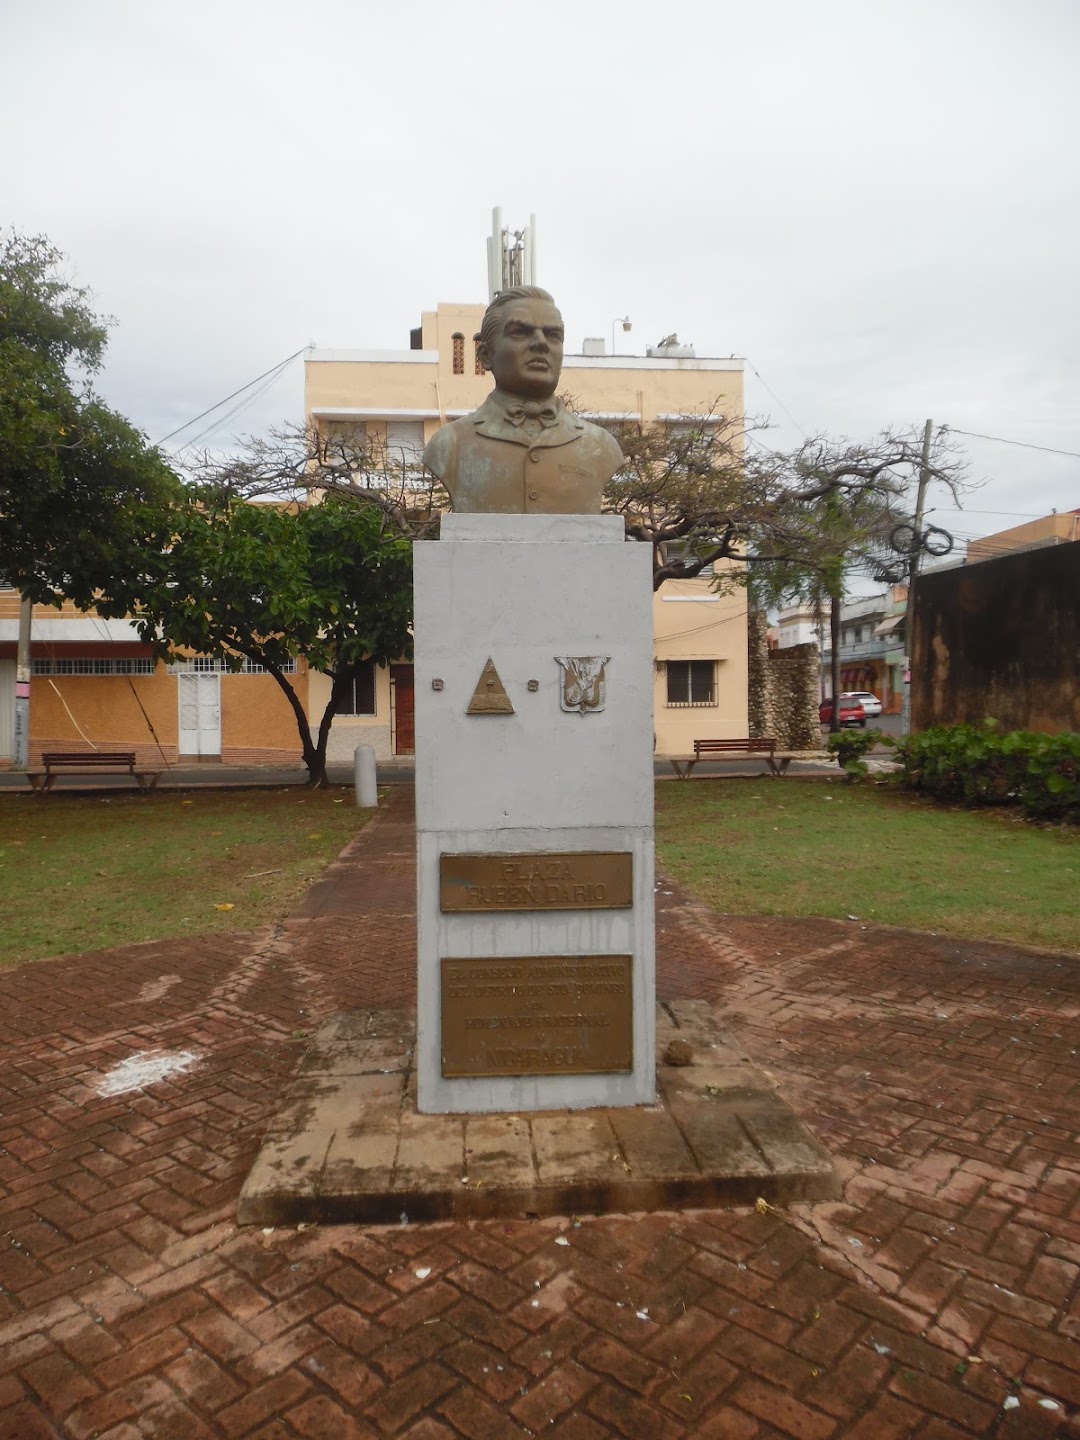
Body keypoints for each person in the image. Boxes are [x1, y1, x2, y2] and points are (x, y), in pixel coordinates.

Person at [423, 286, 624, 514]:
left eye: (553, 334)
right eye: (521, 331)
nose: (541, 343)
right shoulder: (450, 445)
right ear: (486, 356)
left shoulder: (601, 446)